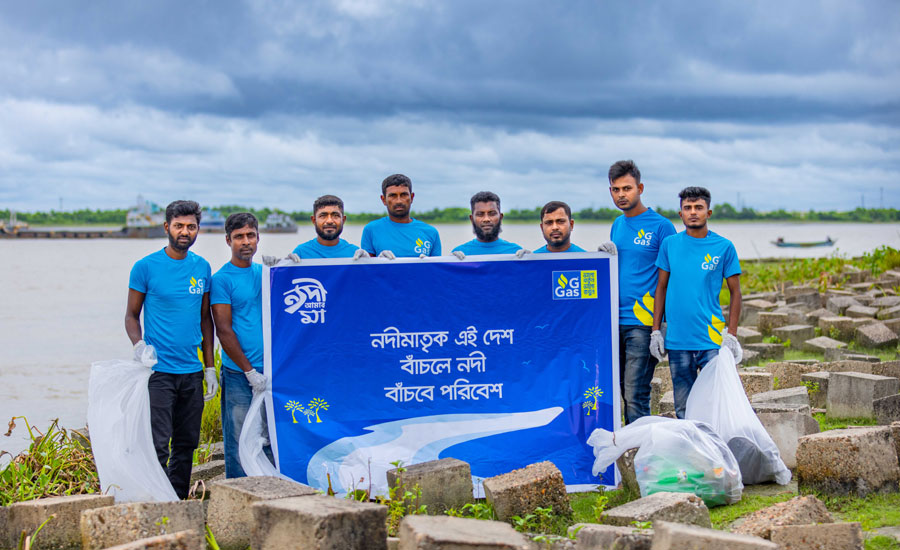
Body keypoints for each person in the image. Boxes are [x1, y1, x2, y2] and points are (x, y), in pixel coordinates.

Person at [125, 200, 215, 499]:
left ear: (197, 230)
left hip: (191, 371)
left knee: (187, 442)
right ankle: (154, 498)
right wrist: (139, 346)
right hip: (159, 372)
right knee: (158, 442)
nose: (185, 232)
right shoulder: (145, 267)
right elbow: (131, 316)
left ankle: (176, 498)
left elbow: (205, 320)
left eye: (191, 227)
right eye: (179, 226)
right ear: (167, 227)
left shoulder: (202, 267)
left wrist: (210, 366)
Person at [650, 186, 743, 419]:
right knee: (684, 407)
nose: (693, 212)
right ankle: (691, 455)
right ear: (680, 214)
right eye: (687, 208)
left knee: (715, 404)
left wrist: (731, 334)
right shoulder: (670, 244)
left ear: (708, 213)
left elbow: (735, 293)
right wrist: (655, 331)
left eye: (698, 207)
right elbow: (660, 287)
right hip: (678, 340)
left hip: (711, 338)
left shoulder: (724, 247)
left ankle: (715, 452)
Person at [607, 160, 677, 424]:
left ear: (640, 188)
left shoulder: (662, 227)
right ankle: (621, 452)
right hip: (613, 322)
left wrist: (660, 328)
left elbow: (669, 280)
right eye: (615, 189)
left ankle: (640, 456)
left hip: (643, 323)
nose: (621, 195)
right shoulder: (617, 224)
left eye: (627, 188)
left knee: (635, 394)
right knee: (616, 392)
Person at [210, 212, 274, 478]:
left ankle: (273, 490)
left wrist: (290, 268)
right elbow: (223, 330)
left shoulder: (266, 273)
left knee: (271, 436)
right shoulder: (222, 280)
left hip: (271, 372)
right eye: (238, 237)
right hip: (238, 374)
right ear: (228, 240)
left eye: (250, 235)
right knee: (238, 438)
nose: (245, 242)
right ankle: (237, 494)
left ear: (258, 238)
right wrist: (248, 371)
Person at [360, 174, 442, 258]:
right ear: (384, 200)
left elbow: (436, 269)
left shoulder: (431, 232)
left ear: (412, 197)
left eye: (403, 195)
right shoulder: (371, 230)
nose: (399, 201)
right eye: (393, 196)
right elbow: (367, 268)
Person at [293, 195, 367, 259]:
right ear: (314, 220)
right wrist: (284, 265)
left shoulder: (355, 254)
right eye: (323, 216)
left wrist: (368, 262)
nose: (329, 221)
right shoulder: (301, 253)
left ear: (343, 220)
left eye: (335, 215)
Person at [451, 191, 523, 257]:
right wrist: (449, 261)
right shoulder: (459, 254)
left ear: (500, 217)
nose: (486, 219)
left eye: (492, 214)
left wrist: (530, 260)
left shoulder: (515, 252)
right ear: (472, 219)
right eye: (480, 214)